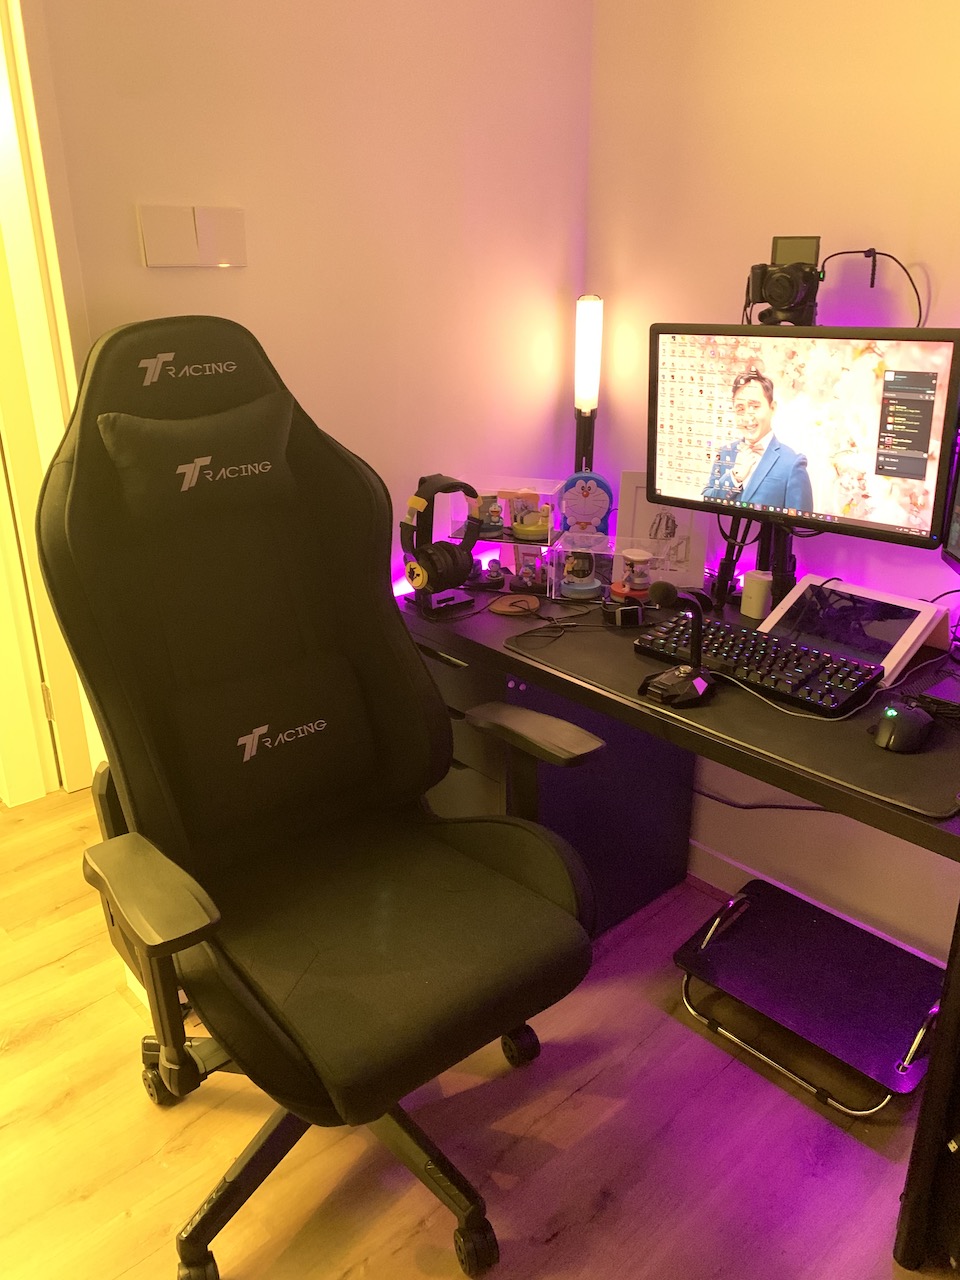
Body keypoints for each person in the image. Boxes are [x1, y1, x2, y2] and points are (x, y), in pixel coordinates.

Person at [702, 369, 813, 512]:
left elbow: (800, 523)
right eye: (740, 409)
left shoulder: (792, 463)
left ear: (772, 408)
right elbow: (706, 504)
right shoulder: (725, 453)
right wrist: (734, 478)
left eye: (754, 407)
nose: (747, 417)